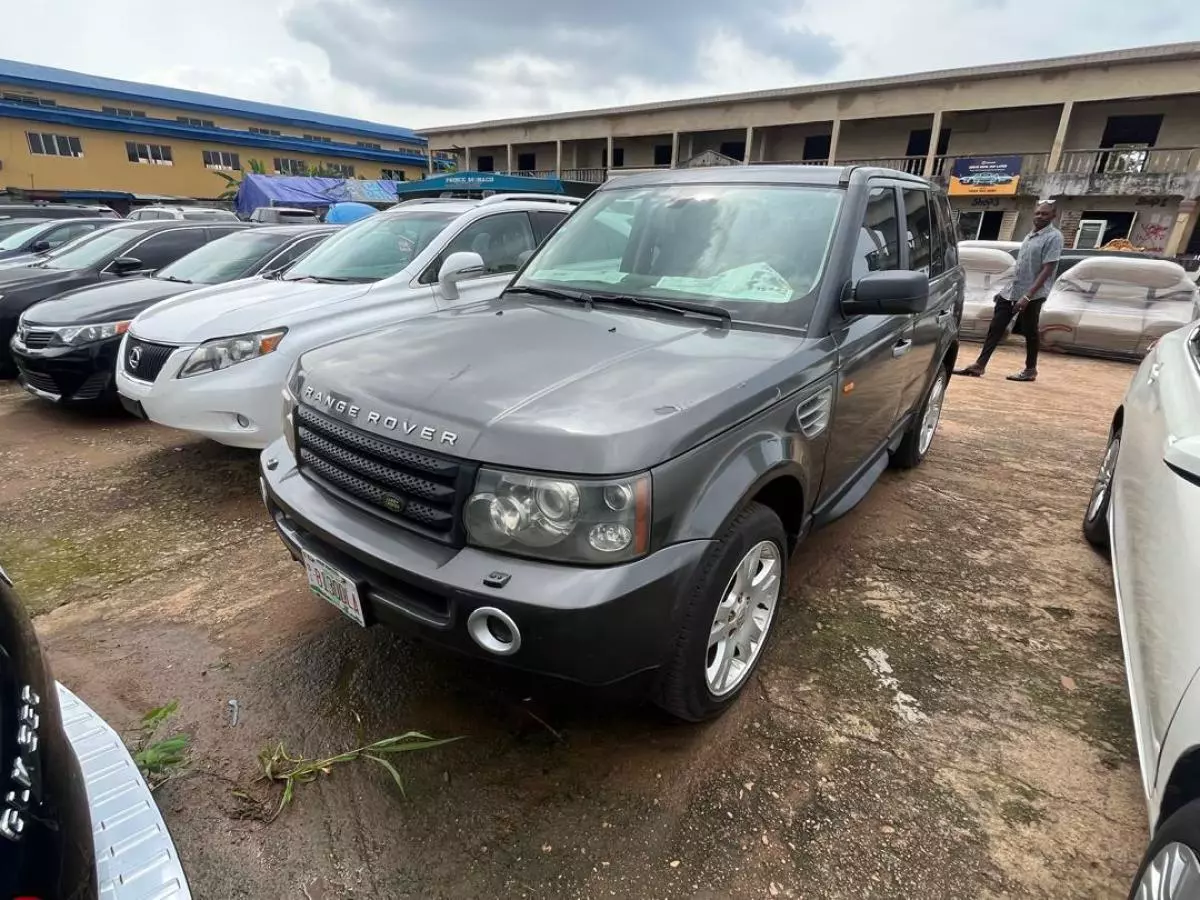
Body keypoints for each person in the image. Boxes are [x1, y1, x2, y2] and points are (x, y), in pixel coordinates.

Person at [954, 201, 1064, 382]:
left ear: (1053, 216)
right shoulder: (1031, 236)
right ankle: (979, 365)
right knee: (996, 326)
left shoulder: (1054, 237)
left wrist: (1028, 296)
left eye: (1044, 214)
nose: (1039, 217)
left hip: (1033, 293)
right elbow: (1020, 266)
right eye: (1037, 213)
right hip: (1012, 289)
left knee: (1030, 331)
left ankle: (1030, 369)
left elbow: (1048, 268)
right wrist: (1005, 290)